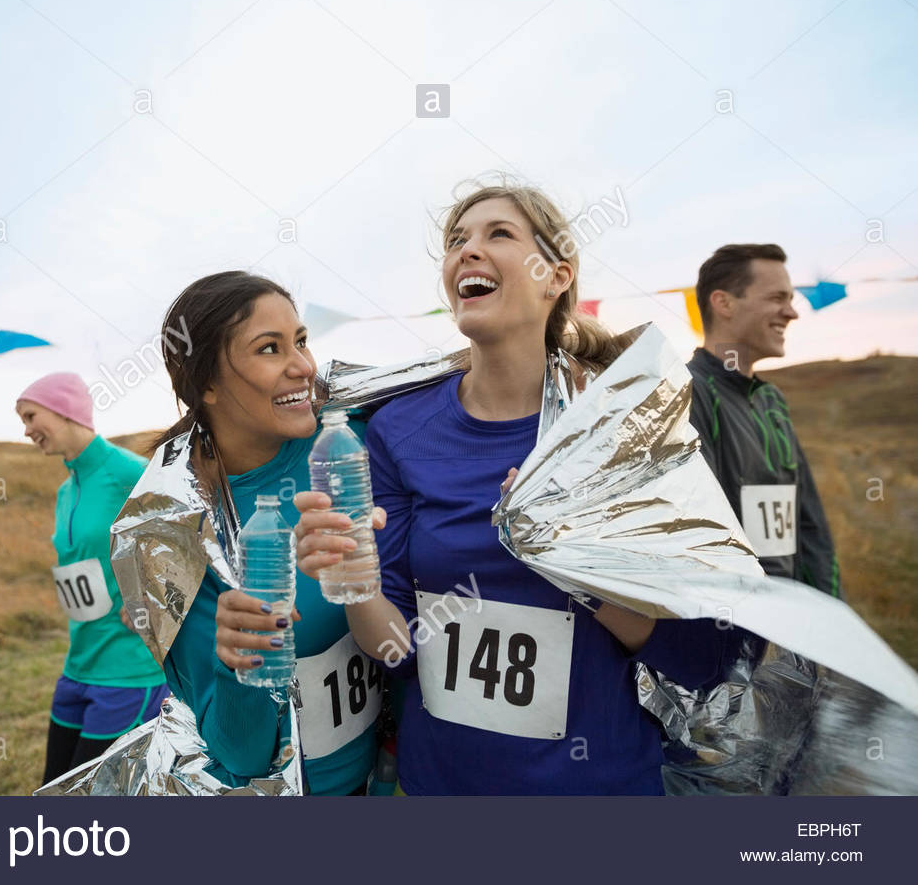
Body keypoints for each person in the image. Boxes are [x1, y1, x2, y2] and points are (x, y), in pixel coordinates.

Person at [295, 181, 738, 795]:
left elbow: (706, 653)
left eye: (498, 234)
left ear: (555, 276)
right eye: (456, 241)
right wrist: (353, 575)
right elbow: (394, 650)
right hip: (440, 792)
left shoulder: (624, 423)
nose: (467, 252)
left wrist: (565, 552)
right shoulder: (400, 430)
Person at [145, 272, 380, 795]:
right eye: (269, 349)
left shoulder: (353, 438)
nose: (303, 367)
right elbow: (239, 754)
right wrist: (238, 667)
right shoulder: (178, 531)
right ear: (205, 384)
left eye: (300, 341)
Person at [16, 373, 168, 784]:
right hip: (79, 663)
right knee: (52, 787)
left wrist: (152, 593)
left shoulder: (129, 471)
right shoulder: (68, 489)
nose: (26, 430)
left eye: (31, 416)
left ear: (64, 410)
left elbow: (189, 535)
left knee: (94, 799)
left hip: (130, 669)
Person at [687, 244, 840, 596]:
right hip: (735, 627)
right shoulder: (686, 394)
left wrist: (831, 618)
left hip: (796, 622)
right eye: (777, 298)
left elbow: (810, 524)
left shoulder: (772, 401)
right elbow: (701, 539)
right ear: (723, 303)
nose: (792, 312)